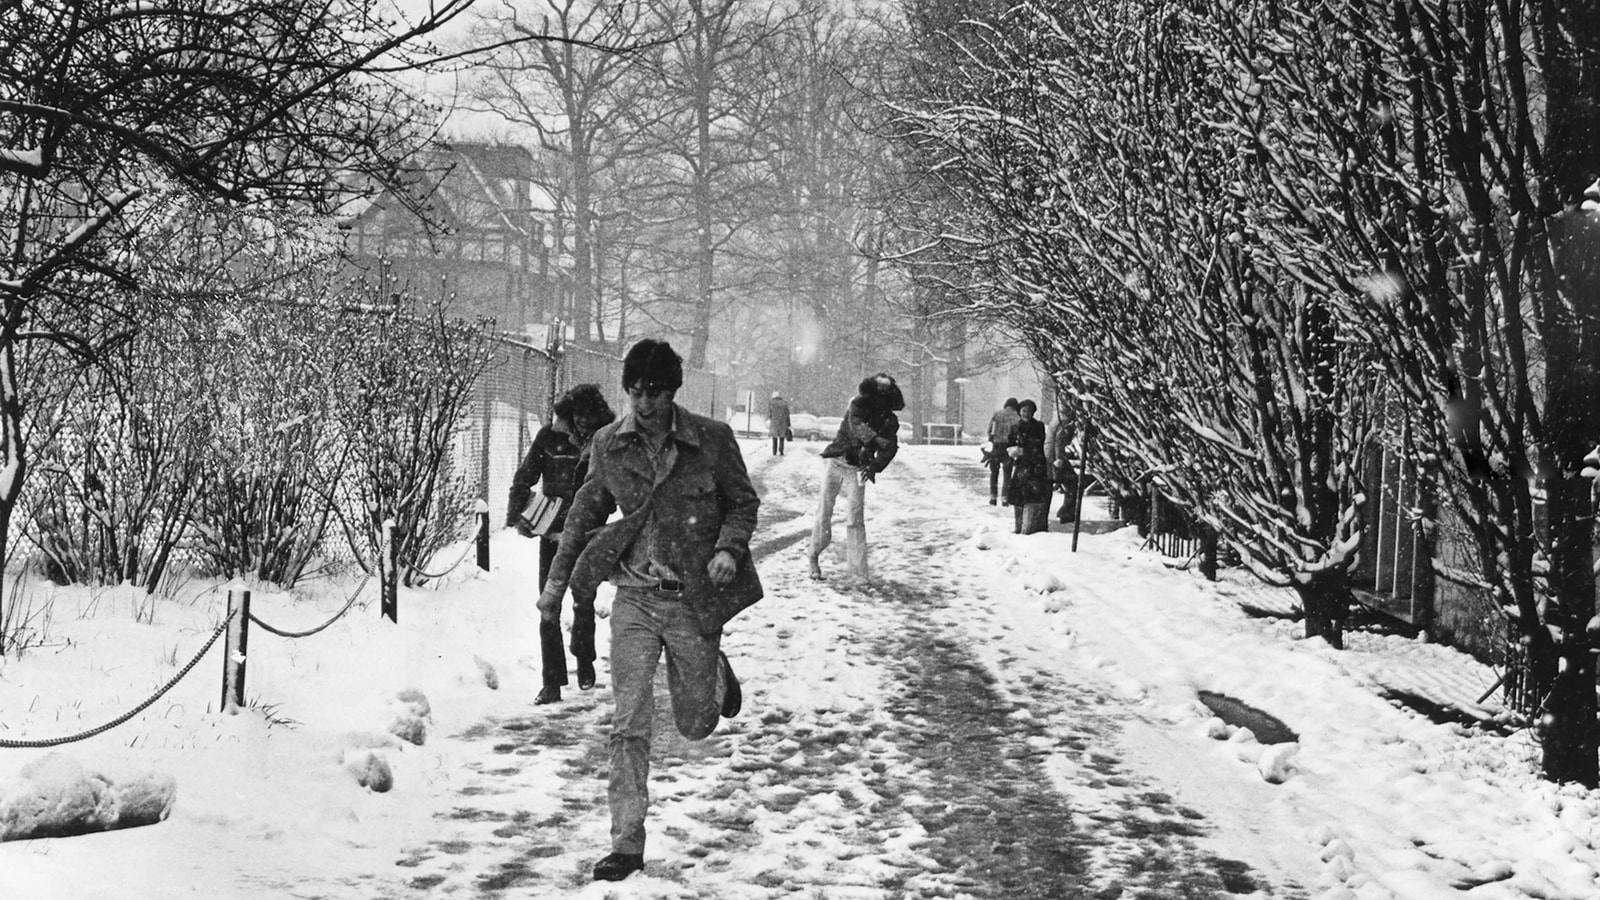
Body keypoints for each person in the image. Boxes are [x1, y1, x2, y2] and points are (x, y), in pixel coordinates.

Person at [537, 338, 762, 883]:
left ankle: (715, 677)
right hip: (635, 599)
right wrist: (555, 586)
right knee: (628, 722)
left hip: (692, 600)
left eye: (654, 392)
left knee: (694, 723)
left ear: (673, 391)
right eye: (634, 391)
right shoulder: (609, 444)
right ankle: (626, 843)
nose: (643, 402)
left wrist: (729, 549)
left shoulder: (710, 440)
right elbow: (581, 516)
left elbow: (743, 502)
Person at [508, 384, 617, 705]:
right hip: (553, 534)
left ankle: (584, 657)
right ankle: (551, 682)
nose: (583, 422)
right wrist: (517, 514)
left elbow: (620, 486)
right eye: (578, 415)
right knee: (548, 606)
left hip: (589, 534)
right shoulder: (549, 438)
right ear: (569, 413)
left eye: (590, 416)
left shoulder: (606, 441)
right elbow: (525, 475)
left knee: (584, 601)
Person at [807, 373, 904, 581]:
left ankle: (859, 572)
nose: (882, 395)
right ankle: (814, 556)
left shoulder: (889, 419)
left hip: (858, 468)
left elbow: (891, 447)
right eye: (879, 390)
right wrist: (877, 440)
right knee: (824, 511)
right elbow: (856, 426)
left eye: (886, 392)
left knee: (855, 519)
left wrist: (876, 466)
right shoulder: (857, 405)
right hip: (835, 461)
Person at [1006, 399, 1051, 534]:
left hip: (1035, 466)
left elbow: (1038, 444)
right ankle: (1018, 526)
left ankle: (1030, 527)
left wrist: (1025, 450)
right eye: (1024, 411)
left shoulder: (1038, 426)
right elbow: (1009, 443)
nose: (1026, 414)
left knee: (1033, 498)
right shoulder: (1015, 427)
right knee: (1018, 498)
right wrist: (1012, 451)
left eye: (1029, 411)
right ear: (1020, 412)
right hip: (1021, 466)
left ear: (1033, 412)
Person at [986, 398, 1021, 505]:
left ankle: (993, 497)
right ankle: (1005, 498)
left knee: (994, 473)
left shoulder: (997, 414)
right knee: (1007, 474)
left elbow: (989, 430)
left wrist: (993, 438)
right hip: (1009, 447)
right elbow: (1018, 433)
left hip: (996, 446)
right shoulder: (1017, 416)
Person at [1048, 412, 1080, 523]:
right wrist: (1059, 460)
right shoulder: (1065, 426)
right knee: (1071, 484)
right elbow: (1059, 444)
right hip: (1058, 461)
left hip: (1058, 460)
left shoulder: (1061, 424)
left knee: (1071, 485)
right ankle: (1066, 512)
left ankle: (1067, 511)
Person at [767, 391, 791, 456]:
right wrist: (788, 423)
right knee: (782, 437)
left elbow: (770, 414)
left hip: (774, 423)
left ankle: (774, 451)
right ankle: (781, 450)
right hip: (783, 423)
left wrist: (772, 418)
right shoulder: (784, 403)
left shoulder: (771, 403)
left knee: (774, 438)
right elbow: (787, 414)